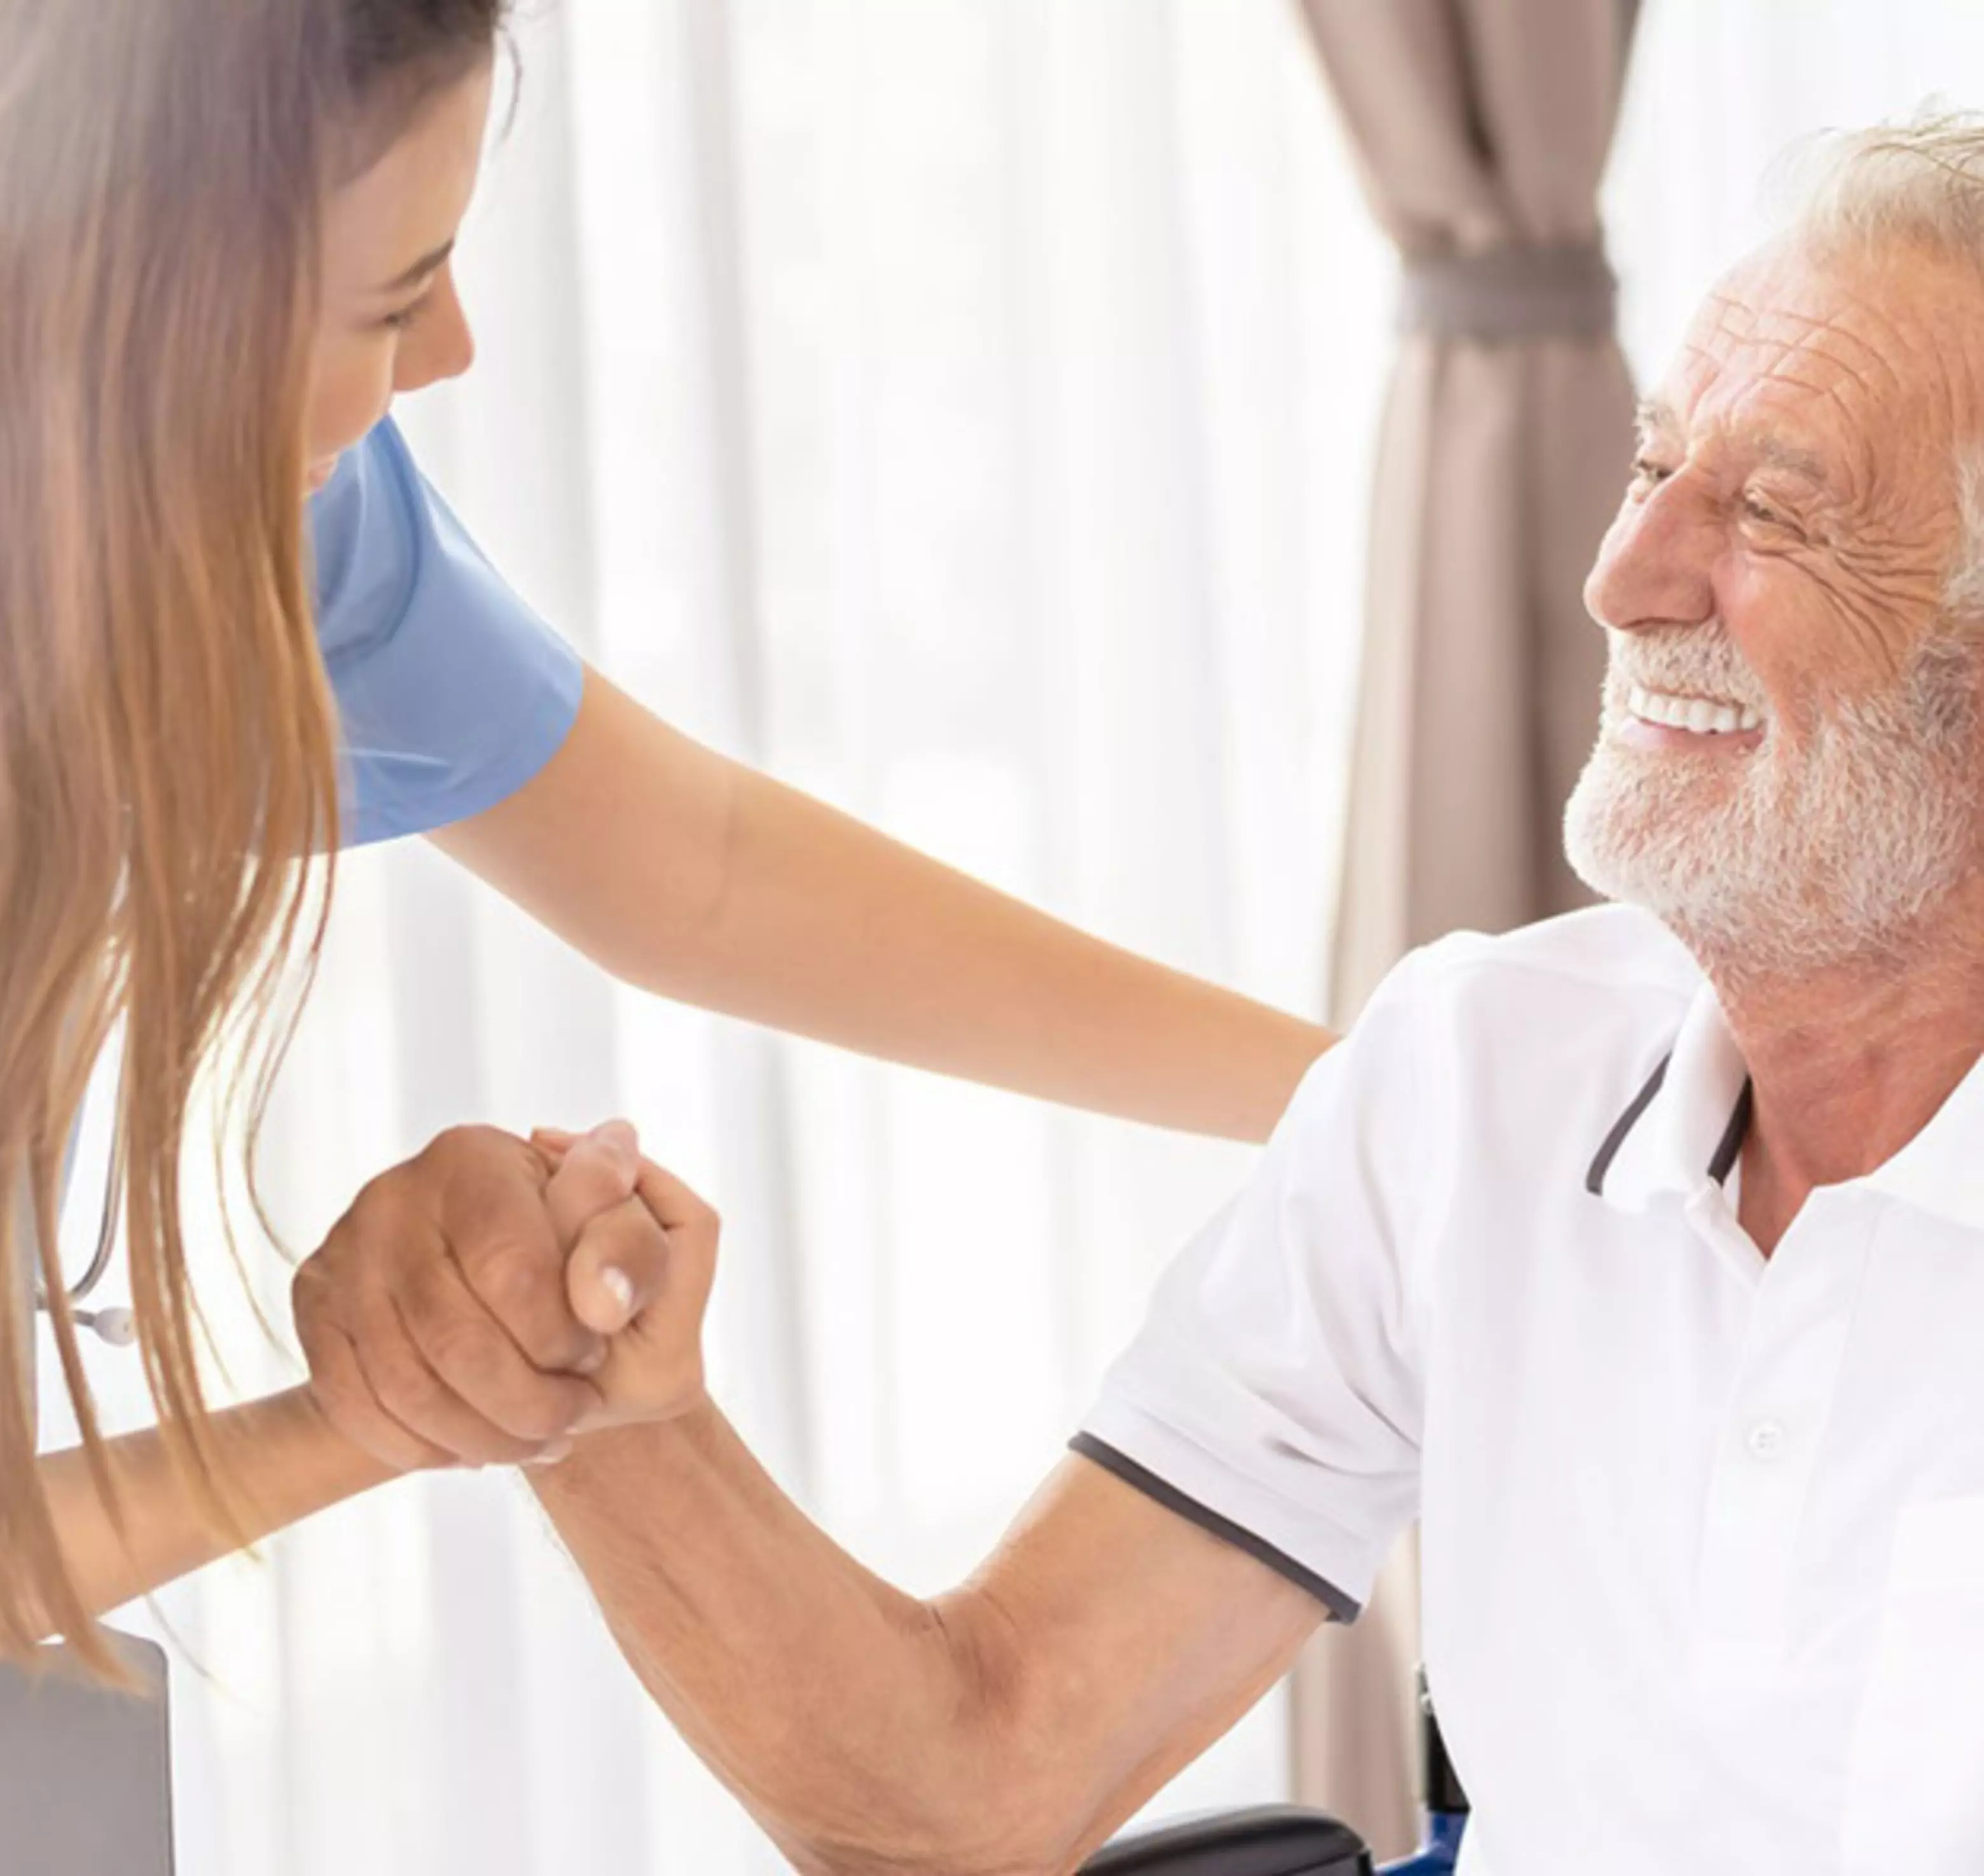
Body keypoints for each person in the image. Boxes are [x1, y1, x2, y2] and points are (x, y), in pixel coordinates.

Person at [0, 3, 1331, 1871]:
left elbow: (692, 866)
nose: (453, 351)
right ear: (119, 305)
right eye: (395, 297)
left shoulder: (224, 485)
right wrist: (377, 1406)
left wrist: (1384, 1082)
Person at [331, 114, 1984, 1873]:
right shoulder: (1472, 1078)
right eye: (1655, 466)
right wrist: (600, 1401)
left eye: (1775, 516)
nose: (1626, 576)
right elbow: (970, 1783)